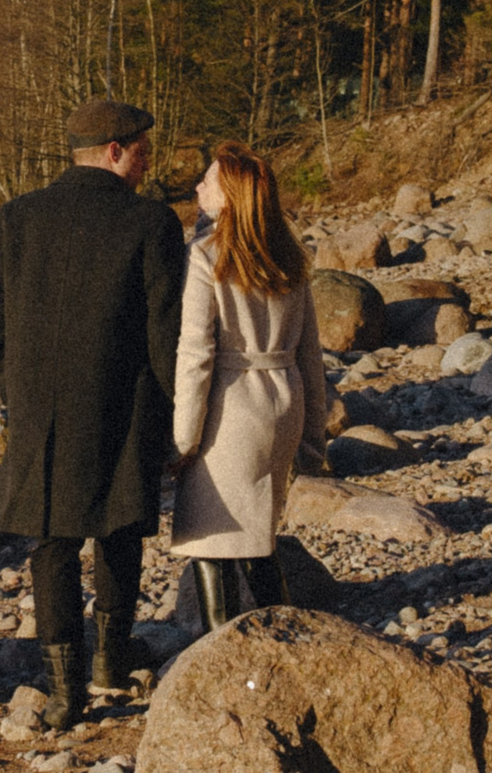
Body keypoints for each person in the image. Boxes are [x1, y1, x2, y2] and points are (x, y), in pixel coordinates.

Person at [0, 97, 185, 727]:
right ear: (117, 151)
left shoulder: (17, 217)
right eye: (144, 151)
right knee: (119, 530)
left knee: (53, 540)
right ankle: (111, 663)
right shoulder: (152, 222)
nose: (149, 164)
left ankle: (65, 692)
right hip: (126, 402)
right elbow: (165, 332)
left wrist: (17, 386)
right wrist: (180, 416)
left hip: (41, 407)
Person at [169, 141, 329, 627]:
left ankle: (221, 655)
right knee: (260, 538)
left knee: (212, 540)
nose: (198, 185)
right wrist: (313, 435)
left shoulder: (206, 256)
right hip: (284, 397)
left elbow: (196, 354)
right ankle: (278, 636)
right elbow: (311, 354)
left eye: (209, 180)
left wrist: (183, 438)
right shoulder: (288, 256)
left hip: (232, 408)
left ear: (230, 195)